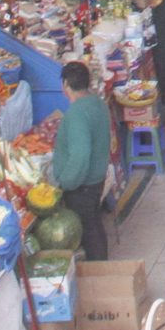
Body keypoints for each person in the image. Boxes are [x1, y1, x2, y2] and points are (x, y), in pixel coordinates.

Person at [50, 60, 113, 261]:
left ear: (66, 85)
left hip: (82, 185)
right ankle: (102, 267)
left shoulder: (77, 113)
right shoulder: (98, 103)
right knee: (94, 223)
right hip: (96, 178)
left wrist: (66, 182)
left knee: (88, 230)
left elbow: (80, 154)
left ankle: (99, 270)